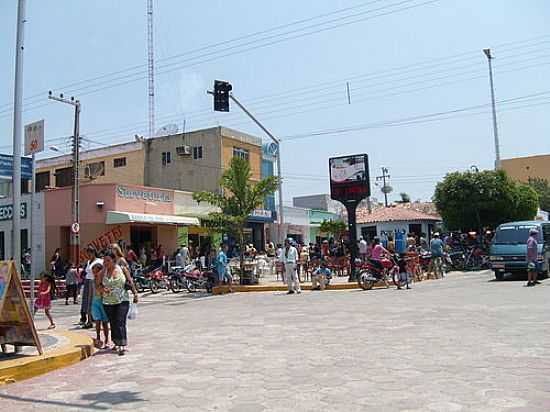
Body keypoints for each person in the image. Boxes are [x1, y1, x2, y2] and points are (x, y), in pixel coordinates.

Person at [101, 251, 138, 356]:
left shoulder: (122, 269)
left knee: (120, 321)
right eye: (104, 261)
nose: (106, 263)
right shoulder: (103, 272)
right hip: (108, 301)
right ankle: (116, 342)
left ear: (113, 260)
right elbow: (97, 284)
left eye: (108, 260)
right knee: (113, 323)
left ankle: (122, 344)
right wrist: (103, 289)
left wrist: (135, 293)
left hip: (122, 300)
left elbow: (130, 281)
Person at [81, 246, 102, 328]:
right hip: (88, 281)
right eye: (87, 254)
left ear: (93, 253)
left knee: (94, 302)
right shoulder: (89, 261)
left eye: (90, 253)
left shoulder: (99, 261)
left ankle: (96, 319)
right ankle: (89, 321)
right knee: (88, 301)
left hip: (95, 281)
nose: (88, 255)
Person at [91, 263, 110, 349]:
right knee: (97, 321)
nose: (95, 274)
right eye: (93, 272)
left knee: (105, 322)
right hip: (95, 302)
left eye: (96, 272)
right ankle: (98, 337)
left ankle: (107, 339)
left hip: (103, 302)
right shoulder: (92, 281)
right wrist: (89, 306)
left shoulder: (104, 280)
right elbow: (91, 294)